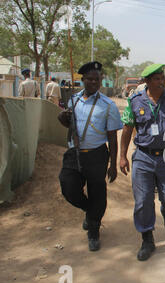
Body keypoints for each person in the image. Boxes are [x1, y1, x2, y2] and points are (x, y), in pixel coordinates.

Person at [119, 63, 165, 262]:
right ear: (147, 82)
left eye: (162, 78)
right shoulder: (135, 101)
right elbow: (126, 129)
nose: (161, 82)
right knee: (142, 201)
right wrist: (122, 156)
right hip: (143, 156)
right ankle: (147, 239)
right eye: (156, 79)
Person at [57, 61, 123, 252]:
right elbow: (70, 125)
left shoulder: (108, 105)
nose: (94, 82)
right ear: (83, 80)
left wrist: (113, 164)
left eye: (97, 79)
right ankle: (90, 211)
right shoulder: (73, 100)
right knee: (68, 188)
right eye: (90, 79)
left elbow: (112, 137)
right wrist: (63, 119)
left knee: (98, 193)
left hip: (96, 155)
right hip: (74, 153)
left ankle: (93, 230)